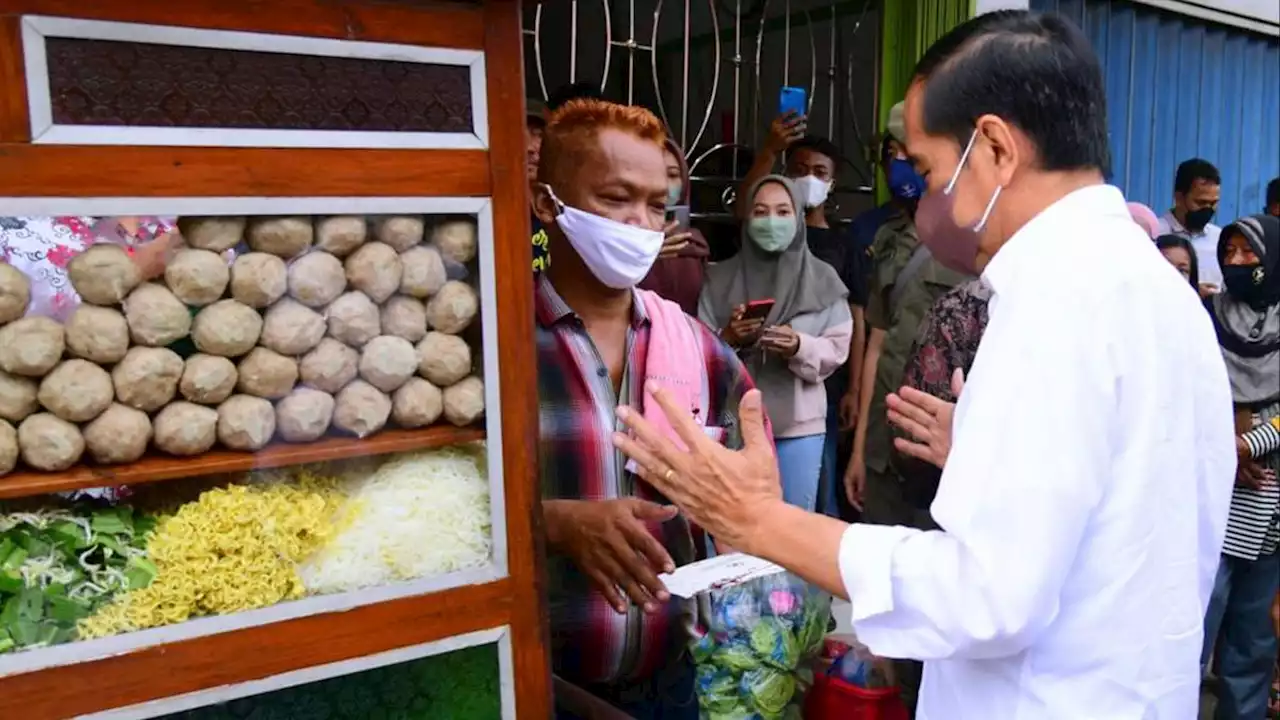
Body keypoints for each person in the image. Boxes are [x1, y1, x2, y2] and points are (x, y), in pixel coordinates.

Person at [610, 11, 1235, 719]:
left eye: (930, 169)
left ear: (995, 148)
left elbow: (986, 597)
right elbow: (1124, 500)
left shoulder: (1057, 304)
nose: (926, 195)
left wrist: (759, 520)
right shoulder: (1156, 288)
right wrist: (983, 452)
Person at [530, 97, 759, 719]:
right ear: (547, 203)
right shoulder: (499, 347)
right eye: (615, 198)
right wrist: (552, 523)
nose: (640, 222)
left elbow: (750, 498)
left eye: (657, 205)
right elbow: (445, 513)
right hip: (539, 685)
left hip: (673, 682)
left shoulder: (698, 348)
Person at [845, 101, 972, 525]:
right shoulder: (887, 238)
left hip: (940, 458)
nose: (900, 164)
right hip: (883, 449)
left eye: (910, 155)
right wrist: (861, 449)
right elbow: (877, 347)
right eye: (892, 153)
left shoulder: (976, 239)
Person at [699, 175, 851, 512]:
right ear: (746, 218)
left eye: (783, 212)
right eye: (761, 211)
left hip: (799, 427)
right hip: (732, 425)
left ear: (798, 218)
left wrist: (800, 346)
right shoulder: (719, 279)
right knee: (735, 531)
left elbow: (838, 348)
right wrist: (729, 339)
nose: (771, 221)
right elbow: (698, 349)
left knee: (792, 531)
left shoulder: (823, 278)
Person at [740, 121, 868, 517]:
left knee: (815, 492)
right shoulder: (764, 236)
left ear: (833, 183)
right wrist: (768, 150)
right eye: (798, 169)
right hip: (758, 389)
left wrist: (855, 392)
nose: (808, 179)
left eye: (820, 172)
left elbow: (858, 322)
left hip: (821, 386)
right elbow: (744, 208)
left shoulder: (843, 247)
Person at [1201, 213, 1280, 720]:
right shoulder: (1202, 318)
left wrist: (1245, 446)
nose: (1235, 263)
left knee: (1251, 650)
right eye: (1228, 252)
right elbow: (1179, 400)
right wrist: (1219, 450)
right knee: (1190, 640)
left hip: (1269, 517)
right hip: (1209, 512)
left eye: (1248, 254)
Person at [636, 139, 709, 315]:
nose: (664, 183)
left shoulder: (695, 244)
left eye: (673, 175)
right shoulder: (621, 238)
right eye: (654, 173)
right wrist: (643, 255)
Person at [1157, 158, 1224, 294]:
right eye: (1201, 202)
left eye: (1213, 203)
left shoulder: (1220, 239)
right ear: (1179, 198)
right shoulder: (1153, 234)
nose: (1207, 209)